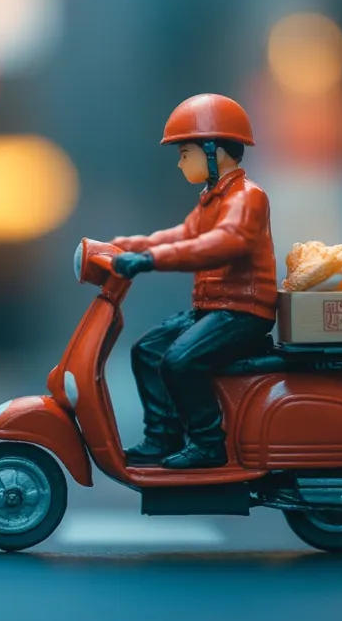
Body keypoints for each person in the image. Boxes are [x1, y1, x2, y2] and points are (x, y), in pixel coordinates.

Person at [109, 93, 278, 469]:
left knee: (180, 361)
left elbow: (223, 243)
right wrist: (124, 246)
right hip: (215, 309)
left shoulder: (247, 198)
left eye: (185, 153)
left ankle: (207, 443)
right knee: (147, 351)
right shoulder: (211, 199)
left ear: (214, 150)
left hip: (244, 312)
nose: (180, 162)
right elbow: (181, 235)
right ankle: (162, 438)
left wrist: (149, 260)